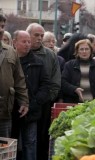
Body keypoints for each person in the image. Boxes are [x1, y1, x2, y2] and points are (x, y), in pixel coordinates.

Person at [13, 30, 50, 160]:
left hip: (32, 111)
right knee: (11, 144)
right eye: (24, 41)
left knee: (30, 143)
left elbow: (45, 86)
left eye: (29, 41)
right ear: (14, 43)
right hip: (11, 111)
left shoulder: (38, 62)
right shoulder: (9, 61)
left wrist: (33, 103)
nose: (27, 44)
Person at [26, 23, 61, 160]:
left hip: (44, 104)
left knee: (41, 138)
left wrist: (45, 99)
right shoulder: (20, 51)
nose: (39, 38)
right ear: (28, 34)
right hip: (21, 102)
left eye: (41, 36)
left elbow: (55, 82)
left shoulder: (50, 55)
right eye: (36, 35)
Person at [0, 13, 29, 137]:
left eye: (2, 26)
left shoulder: (11, 51)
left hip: (4, 112)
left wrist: (24, 102)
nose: (1, 30)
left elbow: (19, 80)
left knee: (3, 150)